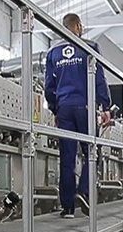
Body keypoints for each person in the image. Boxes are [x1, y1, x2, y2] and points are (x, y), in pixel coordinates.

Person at [44, 13, 112, 219]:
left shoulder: (53, 53)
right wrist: (105, 106)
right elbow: (99, 78)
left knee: (67, 156)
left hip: (64, 108)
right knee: (91, 152)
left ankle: (67, 208)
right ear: (79, 26)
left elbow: (49, 85)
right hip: (86, 107)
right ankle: (83, 192)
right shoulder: (89, 47)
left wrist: (54, 108)